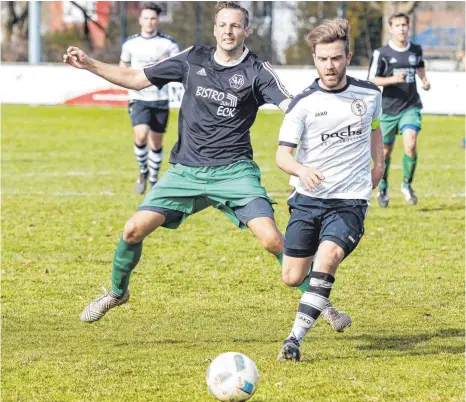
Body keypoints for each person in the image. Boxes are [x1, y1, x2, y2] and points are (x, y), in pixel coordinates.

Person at [64, 1, 350, 330]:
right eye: (222, 25)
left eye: (235, 26)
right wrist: (88, 63)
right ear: (215, 29)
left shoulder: (257, 71)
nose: (228, 31)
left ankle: (320, 302)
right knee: (132, 229)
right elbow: (135, 78)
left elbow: (291, 106)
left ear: (246, 30)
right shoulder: (193, 58)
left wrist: (328, 115)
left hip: (234, 172)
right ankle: (116, 293)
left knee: (272, 239)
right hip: (186, 171)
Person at [275, 18, 384, 361]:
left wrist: (378, 164)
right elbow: (281, 155)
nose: (330, 65)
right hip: (307, 201)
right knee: (292, 277)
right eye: (323, 59)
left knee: (329, 258)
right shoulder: (303, 103)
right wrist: (301, 170)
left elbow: (375, 128)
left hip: (349, 201)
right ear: (315, 59)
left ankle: (293, 340)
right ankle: (319, 298)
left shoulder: (369, 94)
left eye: (336, 58)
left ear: (347, 56)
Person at [368, 12, 430, 207]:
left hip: (410, 106)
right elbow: (371, 79)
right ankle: (384, 187)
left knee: (410, 144)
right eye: (397, 25)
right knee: (385, 152)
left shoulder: (416, 50)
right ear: (390, 28)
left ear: (408, 27)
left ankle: (406, 185)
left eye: (404, 25)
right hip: (387, 110)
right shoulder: (382, 53)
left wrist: (424, 80)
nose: (401, 29)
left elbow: (419, 67)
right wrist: (392, 80)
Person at [119, 3, 180, 194]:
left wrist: (166, 66)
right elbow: (123, 66)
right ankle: (143, 170)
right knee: (141, 134)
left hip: (160, 99)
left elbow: (178, 67)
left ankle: (153, 177)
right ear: (140, 20)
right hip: (138, 98)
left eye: (153, 18)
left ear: (157, 21)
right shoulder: (130, 44)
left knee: (156, 142)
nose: (149, 22)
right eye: (145, 18)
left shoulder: (168, 44)